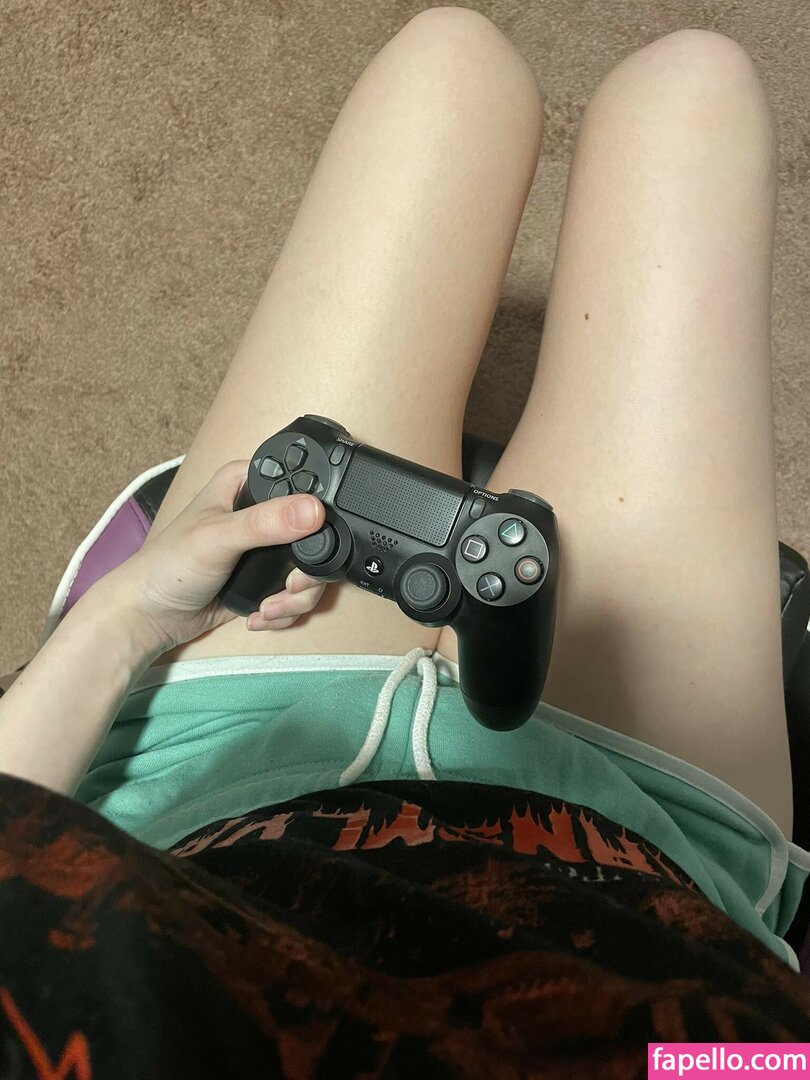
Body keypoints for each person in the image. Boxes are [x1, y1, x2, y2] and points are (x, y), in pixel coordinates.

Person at [2, 8, 809, 1076]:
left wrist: (122, 620)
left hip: (216, 754)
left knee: (451, 64)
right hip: (640, 826)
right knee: (694, 93)